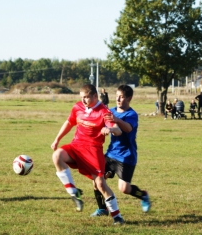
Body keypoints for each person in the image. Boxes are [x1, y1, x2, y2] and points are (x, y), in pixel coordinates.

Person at [51, 84, 124, 225]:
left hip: (93, 150)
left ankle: (117, 216)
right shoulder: (77, 107)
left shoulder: (104, 111)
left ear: (95, 96)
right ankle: (74, 193)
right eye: (81, 97)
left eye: (86, 97)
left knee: (100, 185)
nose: (83, 100)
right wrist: (57, 139)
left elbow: (118, 130)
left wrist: (110, 130)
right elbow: (69, 122)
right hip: (76, 146)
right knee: (57, 156)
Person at [90, 85, 151, 217]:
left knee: (124, 188)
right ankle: (102, 208)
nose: (118, 99)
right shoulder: (110, 110)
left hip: (126, 157)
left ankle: (143, 195)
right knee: (96, 179)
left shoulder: (131, 114)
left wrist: (115, 120)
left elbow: (128, 129)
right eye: (117, 95)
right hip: (111, 153)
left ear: (129, 98)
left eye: (121, 96)